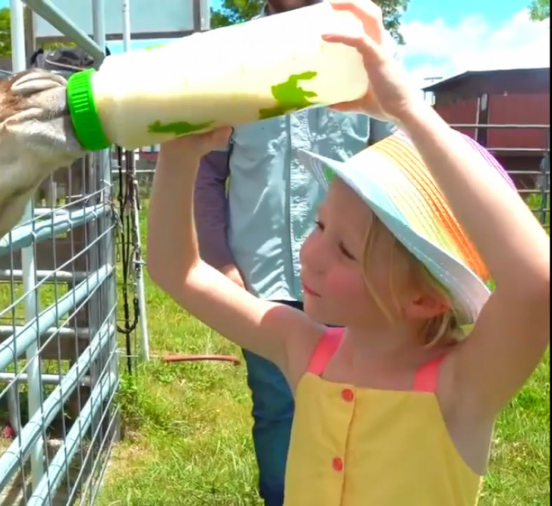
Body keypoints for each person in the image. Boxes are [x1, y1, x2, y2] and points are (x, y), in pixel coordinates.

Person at [147, 0, 551, 504]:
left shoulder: (463, 386)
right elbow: (175, 271)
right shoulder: (303, 346)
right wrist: (177, 154)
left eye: (344, 249)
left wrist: (409, 110)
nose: (310, 252)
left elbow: (536, 281)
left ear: (425, 298)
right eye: (318, 226)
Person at [193, 1, 396, 503]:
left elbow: (395, 161)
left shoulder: (358, 46)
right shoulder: (233, 55)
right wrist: (220, 260)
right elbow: (207, 171)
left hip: (356, 279)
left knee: (366, 403)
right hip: (263, 281)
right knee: (278, 408)